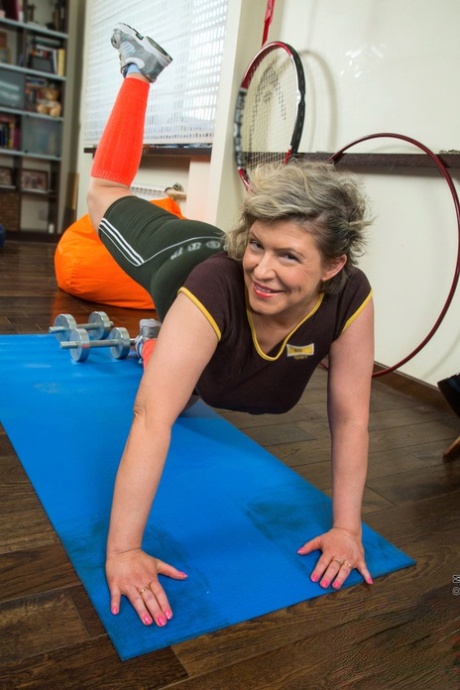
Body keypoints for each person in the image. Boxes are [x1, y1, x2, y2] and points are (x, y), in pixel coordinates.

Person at [87, 23, 375, 629]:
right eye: (259, 246)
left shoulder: (350, 297)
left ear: (334, 267)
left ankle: (171, 355)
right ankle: (139, 72)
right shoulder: (219, 280)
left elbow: (350, 415)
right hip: (184, 258)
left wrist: (347, 528)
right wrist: (123, 551)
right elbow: (150, 418)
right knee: (103, 193)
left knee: (190, 375)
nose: (263, 271)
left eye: (289, 256)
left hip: (217, 325)